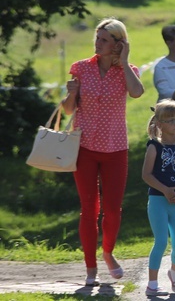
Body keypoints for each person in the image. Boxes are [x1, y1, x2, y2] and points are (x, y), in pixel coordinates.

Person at [62, 18, 144, 287]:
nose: (98, 44)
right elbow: (67, 110)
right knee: (89, 209)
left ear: (118, 44)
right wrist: (70, 94)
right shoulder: (82, 68)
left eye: (104, 40)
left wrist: (126, 59)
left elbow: (137, 93)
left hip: (115, 148)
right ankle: (90, 267)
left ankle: (108, 252)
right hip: (83, 147)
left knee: (112, 210)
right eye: (97, 39)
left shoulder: (128, 71)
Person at [141, 100, 175, 296]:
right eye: (170, 120)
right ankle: (152, 284)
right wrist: (165, 190)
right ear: (159, 124)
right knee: (161, 241)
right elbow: (146, 175)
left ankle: (174, 273)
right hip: (158, 201)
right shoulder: (154, 147)